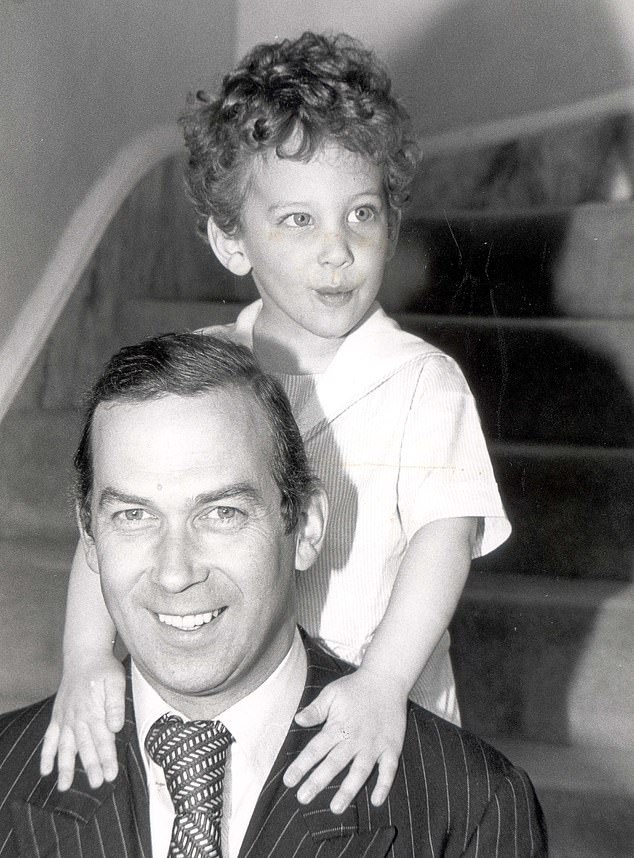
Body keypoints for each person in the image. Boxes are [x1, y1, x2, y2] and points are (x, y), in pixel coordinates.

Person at [41, 32, 511, 814]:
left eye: (361, 214)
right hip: (230, 702)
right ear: (231, 239)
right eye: (299, 221)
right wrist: (87, 657)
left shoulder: (423, 383)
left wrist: (384, 683)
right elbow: (111, 528)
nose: (339, 251)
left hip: (369, 709)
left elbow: (444, 540)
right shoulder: (194, 374)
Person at [1, 333, 546, 858]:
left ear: (306, 527)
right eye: (133, 516)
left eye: (222, 514)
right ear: (90, 536)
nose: (174, 573)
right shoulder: (8, 773)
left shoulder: (472, 809)